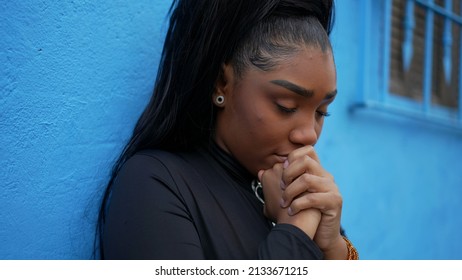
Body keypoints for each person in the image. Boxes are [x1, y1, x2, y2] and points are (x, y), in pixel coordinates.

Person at [98, 0, 358, 260]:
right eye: (286, 107)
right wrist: (295, 232)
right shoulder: (155, 184)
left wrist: (334, 246)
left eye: (321, 112)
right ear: (222, 84)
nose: (309, 135)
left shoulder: (298, 192)